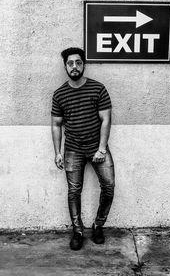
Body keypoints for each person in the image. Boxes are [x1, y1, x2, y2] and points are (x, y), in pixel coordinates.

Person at [51, 47, 115, 251]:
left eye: (78, 62)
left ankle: (98, 225)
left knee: (109, 186)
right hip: (72, 150)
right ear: (65, 66)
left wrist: (102, 149)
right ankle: (77, 231)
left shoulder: (98, 89)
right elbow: (56, 124)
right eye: (70, 63)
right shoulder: (60, 94)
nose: (74, 67)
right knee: (74, 191)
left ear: (84, 64)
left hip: (98, 148)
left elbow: (106, 120)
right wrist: (58, 152)